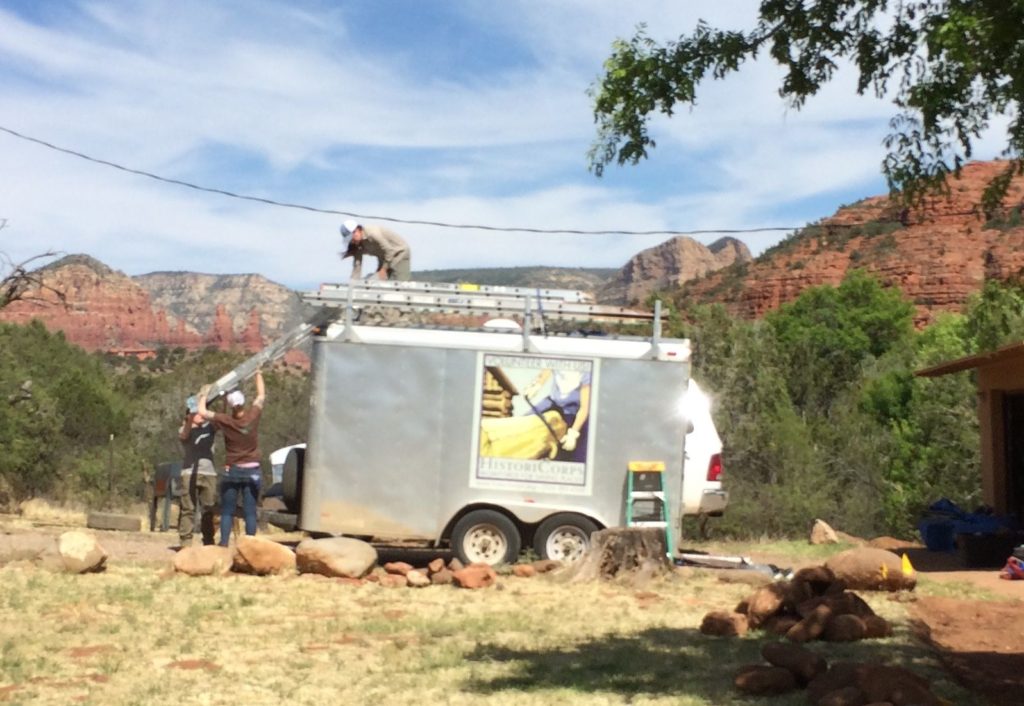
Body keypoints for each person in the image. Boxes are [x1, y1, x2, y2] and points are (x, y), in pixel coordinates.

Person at [197, 371, 265, 546]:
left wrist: (204, 394)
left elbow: (202, 412)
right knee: (250, 511)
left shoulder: (226, 420)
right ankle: (250, 546)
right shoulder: (253, 416)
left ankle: (224, 544)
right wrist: (258, 373)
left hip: (232, 469)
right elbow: (261, 395)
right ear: (242, 403)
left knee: (227, 510)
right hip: (252, 470)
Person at [522, 368, 592, 462]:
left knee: (575, 453)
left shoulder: (586, 372)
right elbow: (548, 368)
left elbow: (584, 408)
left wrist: (573, 433)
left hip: (573, 410)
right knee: (525, 421)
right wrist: (537, 385)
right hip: (553, 401)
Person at [177, 396, 218, 547]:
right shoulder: (184, 428)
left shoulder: (210, 427)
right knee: (188, 508)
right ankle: (185, 542)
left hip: (209, 473)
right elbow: (184, 435)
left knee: (208, 509)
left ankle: (208, 541)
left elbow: (222, 421)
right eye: (197, 413)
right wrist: (190, 419)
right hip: (189, 473)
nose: (201, 415)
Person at [339, 219, 411, 281]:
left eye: (352, 237)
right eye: (350, 240)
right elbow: (357, 266)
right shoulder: (358, 245)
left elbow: (389, 250)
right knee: (372, 283)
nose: (352, 241)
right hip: (385, 259)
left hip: (399, 253)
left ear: (357, 230)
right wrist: (352, 286)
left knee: (401, 286)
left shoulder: (372, 233)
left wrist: (384, 269)